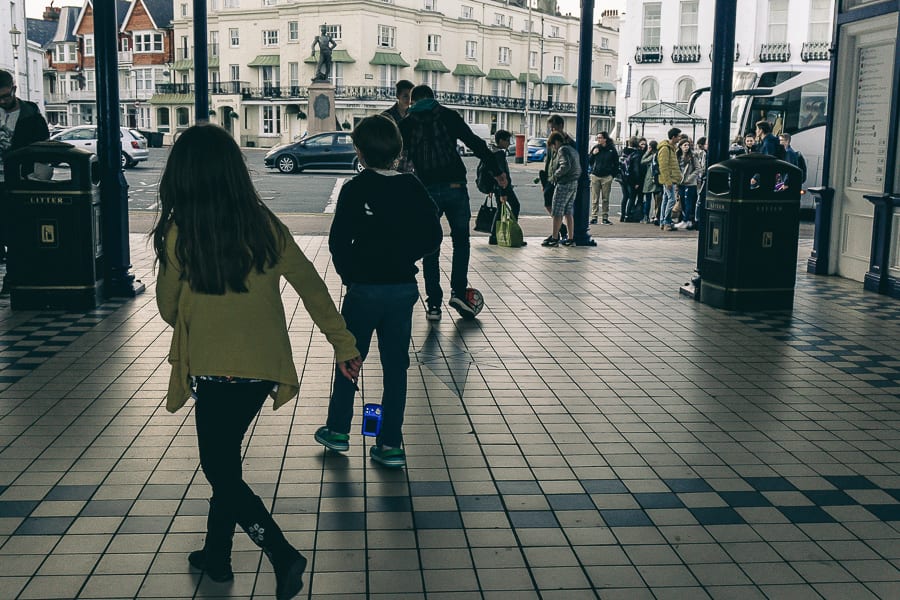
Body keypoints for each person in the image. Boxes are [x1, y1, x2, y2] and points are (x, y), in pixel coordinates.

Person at [152, 124, 361, 599]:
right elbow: (312, 288)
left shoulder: (181, 231)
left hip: (213, 368)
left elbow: (167, 310)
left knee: (221, 472)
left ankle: (283, 554)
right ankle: (217, 557)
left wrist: (194, 302)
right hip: (260, 370)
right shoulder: (264, 224)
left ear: (182, 176)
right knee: (226, 464)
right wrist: (344, 345)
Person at [316, 115, 442, 468]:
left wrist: (350, 275)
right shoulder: (412, 186)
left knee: (350, 357)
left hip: (364, 290)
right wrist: (405, 256)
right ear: (398, 151)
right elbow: (432, 236)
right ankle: (389, 443)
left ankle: (339, 430)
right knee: (396, 366)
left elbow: (338, 241)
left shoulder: (356, 188)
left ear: (358, 151)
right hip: (403, 288)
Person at [398, 84, 506, 322]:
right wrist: (497, 172)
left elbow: (396, 156)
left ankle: (434, 305)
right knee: (461, 242)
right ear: (433, 98)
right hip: (455, 186)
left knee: (430, 248)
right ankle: (458, 292)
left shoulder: (407, 123)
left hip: (426, 191)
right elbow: (475, 143)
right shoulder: (448, 116)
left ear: (413, 101)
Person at [0, 70, 50, 291]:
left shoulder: (31, 115)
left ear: (14, 89)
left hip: (19, 182)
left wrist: (36, 177)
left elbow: (44, 150)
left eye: (5, 96)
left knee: (17, 233)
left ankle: (14, 278)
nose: (2, 101)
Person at [541, 131, 581, 247]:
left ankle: (554, 238)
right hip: (574, 182)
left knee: (557, 212)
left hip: (564, 183)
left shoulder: (562, 150)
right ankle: (571, 238)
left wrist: (555, 175)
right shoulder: (572, 149)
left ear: (556, 142)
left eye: (553, 145)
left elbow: (565, 166)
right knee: (568, 211)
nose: (553, 148)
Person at [488, 129, 525, 246]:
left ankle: (494, 236)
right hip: (503, 187)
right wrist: (503, 191)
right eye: (507, 140)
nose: (509, 143)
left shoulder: (493, 151)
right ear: (501, 141)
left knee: (500, 209)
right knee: (515, 205)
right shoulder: (499, 154)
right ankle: (512, 233)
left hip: (497, 187)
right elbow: (501, 175)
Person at [541, 115, 575, 237]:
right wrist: (545, 180)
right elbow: (548, 161)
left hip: (561, 178)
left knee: (560, 209)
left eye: (553, 128)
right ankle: (561, 228)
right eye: (550, 128)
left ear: (561, 126)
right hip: (551, 177)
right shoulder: (551, 140)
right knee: (548, 203)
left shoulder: (568, 142)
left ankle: (558, 232)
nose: (551, 131)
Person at [381, 79, 415, 173]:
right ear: (397, 96)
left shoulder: (415, 116)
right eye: (405, 96)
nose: (409, 100)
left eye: (411, 96)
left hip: (409, 163)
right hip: (390, 160)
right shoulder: (386, 116)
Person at [587, 131, 617, 225]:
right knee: (595, 198)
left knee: (605, 198)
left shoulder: (611, 149)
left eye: (600, 138)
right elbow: (589, 161)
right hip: (596, 175)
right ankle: (594, 217)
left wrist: (612, 175)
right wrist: (593, 154)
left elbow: (616, 163)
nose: (598, 140)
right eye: (598, 138)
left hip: (607, 176)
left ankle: (605, 217)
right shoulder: (596, 148)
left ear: (605, 139)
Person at [657, 127, 682, 232]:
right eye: (679, 136)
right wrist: (668, 181)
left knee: (666, 199)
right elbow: (663, 166)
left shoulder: (672, 148)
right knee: (671, 199)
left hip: (671, 178)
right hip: (668, 179)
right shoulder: (665, 149)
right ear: (673, 137)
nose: (680, 138)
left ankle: (663, 221)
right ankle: (666, 221)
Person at [675, 138, 701, 230]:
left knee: (688, 201)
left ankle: (686, 220)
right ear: (680, 146)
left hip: (690, 183)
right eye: (684, 145)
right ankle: (687, 220)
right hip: (681, 182)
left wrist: (690, 178)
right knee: (682, 201)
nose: (686, 147)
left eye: (687, 145)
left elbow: (698, 168)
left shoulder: (692, 156)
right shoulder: (678, 156)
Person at [619, 136, 644, 222]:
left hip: (623, 178)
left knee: (625, 197)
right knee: (632, 197)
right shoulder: (637, 154)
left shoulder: (624, 152)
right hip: (631, 179)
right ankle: (628, 215)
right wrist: (637, 181)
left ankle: (622, 215)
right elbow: (636, 169)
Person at [640, 140, 661, 224]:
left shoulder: (653, 156)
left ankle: (647, 216)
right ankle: (656, 216)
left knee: (648, 199)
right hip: (656, 179)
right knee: (657, 200)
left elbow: (642, 161)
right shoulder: (658, 155)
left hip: (650, 179)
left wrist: (647, 152)